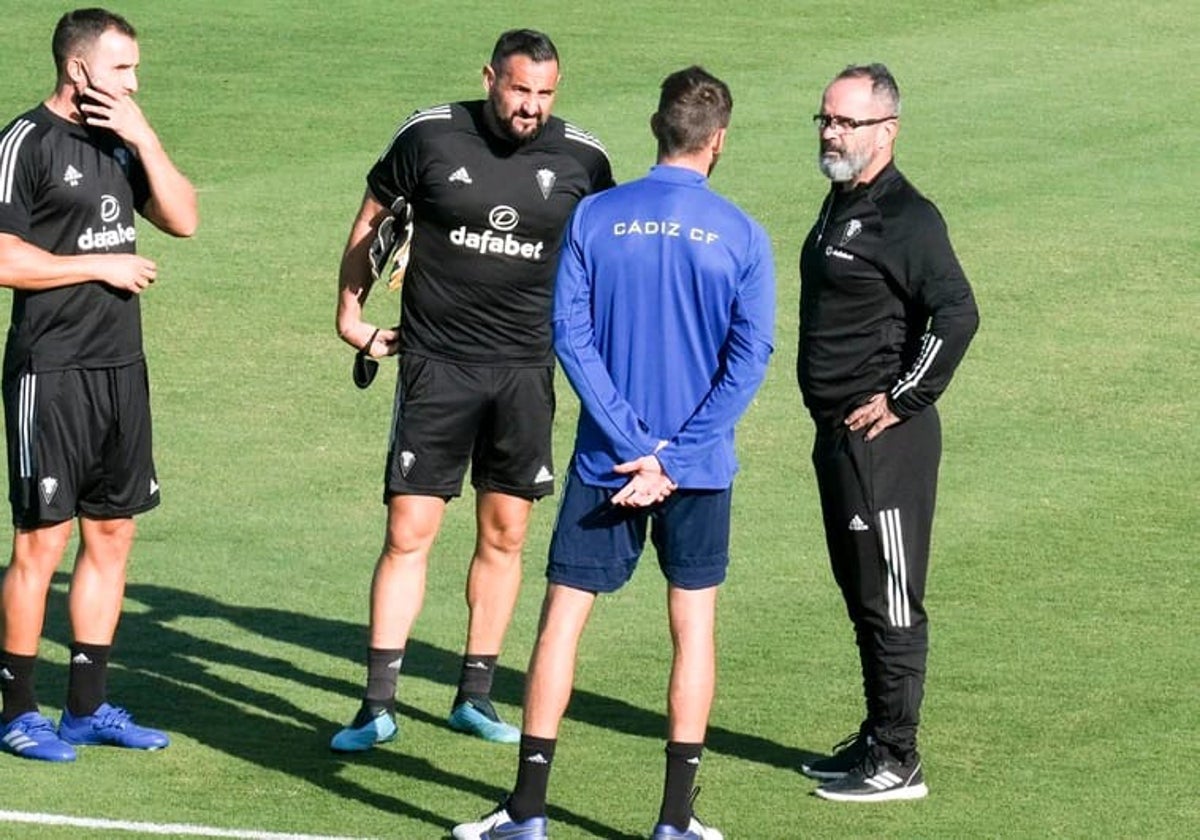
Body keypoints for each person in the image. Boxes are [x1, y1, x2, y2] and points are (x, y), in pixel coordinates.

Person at [453, 65, 774, 840]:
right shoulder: (742, 234)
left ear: (657, 128)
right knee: (692, 628)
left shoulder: (598, 217)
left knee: (561, 622)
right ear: (718, 140)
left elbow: (572, 337)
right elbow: (750, 356)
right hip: (696, 472)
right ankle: (673, 822)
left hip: (606, 465)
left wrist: (631, 443)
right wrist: (674, 455)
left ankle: (527, 813)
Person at [332, 29, 614, 752]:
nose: (532, 107)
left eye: (546, 94)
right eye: (520, 90)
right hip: (437, 366)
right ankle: (376, 704)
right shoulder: (429, 136)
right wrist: (350, 316)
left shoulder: (583, 157)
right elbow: (373, 222)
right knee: (408, 532)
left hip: (524, 371)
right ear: (491, 76)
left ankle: (476, 694)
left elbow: (605, 263)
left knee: (506, 533)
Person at [0, 8, 198, 763]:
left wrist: (144, 135)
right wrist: (97, 265)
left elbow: (183, 218)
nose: (134, 82)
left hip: (122, 368)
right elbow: (2, 257)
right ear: (78, 70)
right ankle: (18, 710)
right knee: (41, 543)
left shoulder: (121, 141)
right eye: (122, 70)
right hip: (50, 373)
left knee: (113, 533)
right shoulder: (25, 144)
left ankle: (87, 706)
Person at [795, 63, 979, 801]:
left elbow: (957, 314)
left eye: (847, 121)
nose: (832, 132)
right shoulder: (843, 200)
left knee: (893, 598)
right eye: (826, 119)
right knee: (862, 592)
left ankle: (899, 761)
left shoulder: (909, 217)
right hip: (837, 436)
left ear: (888, 131)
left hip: (885, 446)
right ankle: (876, 737)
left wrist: (905, 396)